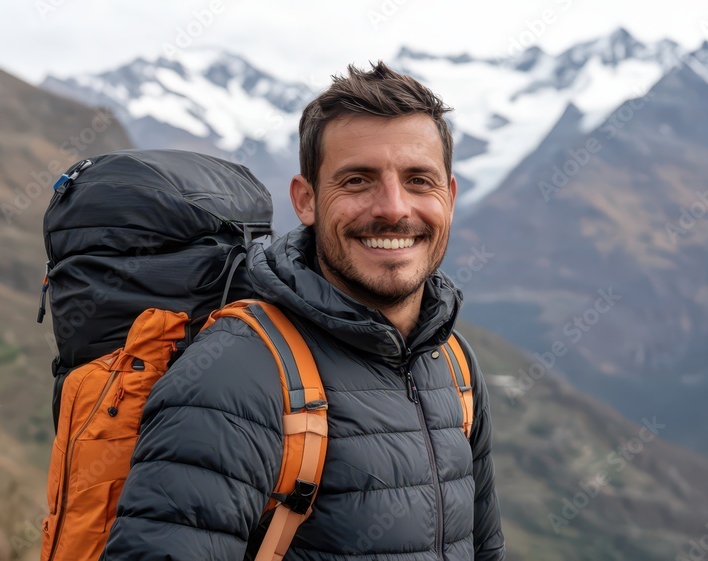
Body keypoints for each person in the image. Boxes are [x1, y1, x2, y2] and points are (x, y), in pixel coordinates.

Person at [103, 61, 505, 560]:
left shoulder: (453, 364)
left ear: (449, 195)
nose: (394, 208)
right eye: (358, 181)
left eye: (419, 180)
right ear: (306, 200)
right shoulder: (237, 373)